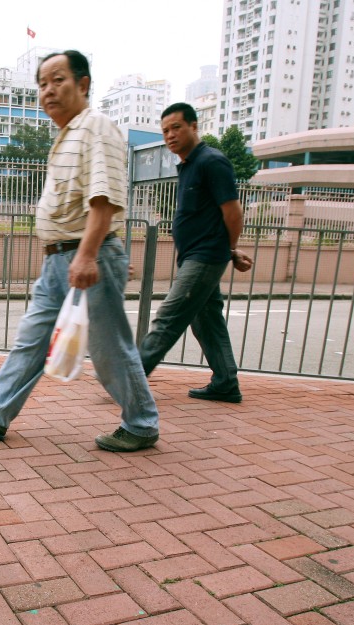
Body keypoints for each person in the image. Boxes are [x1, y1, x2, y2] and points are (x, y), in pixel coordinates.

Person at [0, 50, 159, 453]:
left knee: (109, 346)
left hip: (80, 257)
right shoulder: (68, 134)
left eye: (57, 80)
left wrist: (92, 253)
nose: (48, 91)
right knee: (31, 339)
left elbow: (104, 199)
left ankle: (142, 422)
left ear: (83, 84)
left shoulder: (95, 126)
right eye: (42, 84)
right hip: (58, 260)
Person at [138, 102, 253, 403]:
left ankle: (130, 377)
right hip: (197, 256)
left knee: (169, 316)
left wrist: (227, 249)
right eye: (165, 131)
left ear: (194, 126)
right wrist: (229, 251)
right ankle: (226, 382)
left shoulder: (211, 162)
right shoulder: (189, 165)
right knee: (206, 319)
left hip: (204, 257)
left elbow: (233, 212)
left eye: (176, 127)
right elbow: (209, 217)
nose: (170, 135)